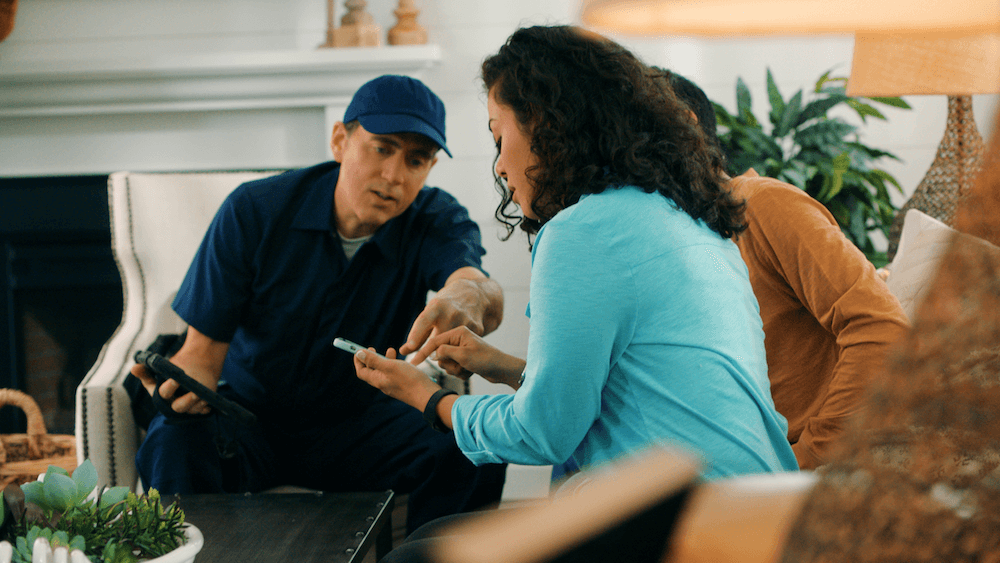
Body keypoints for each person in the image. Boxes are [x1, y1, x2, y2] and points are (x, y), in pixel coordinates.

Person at [354, 25, 797, 488]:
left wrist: (427, 398)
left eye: (499, 137)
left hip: (688, 521)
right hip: (762, 503)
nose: (500, 165)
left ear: (546, 125)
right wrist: (499, 364)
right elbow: (636, 390)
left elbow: (543, 433)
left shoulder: (582, 231)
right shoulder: (690, 217)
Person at [131, 74, 507, 533]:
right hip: (251, 422)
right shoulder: (253, 210)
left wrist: (465, 293)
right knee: (172, 440)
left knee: (477, 444)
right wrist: (181, 389)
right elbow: (201, 359)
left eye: (416, 159)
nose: (394, 175)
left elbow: (480, 289)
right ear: (340, 140)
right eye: (382, 148)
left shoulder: (434, 218)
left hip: (360, 427)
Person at [661, 70, 910, 469]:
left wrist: (805, 459)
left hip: (804, 469)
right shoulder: (672, 243)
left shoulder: (761, 206)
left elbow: (881, 326)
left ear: (682, 130)